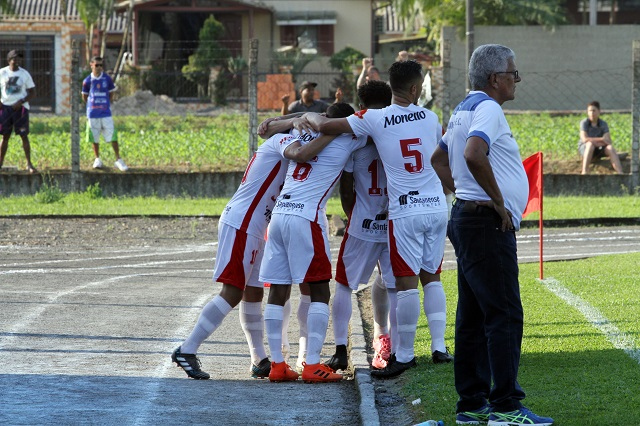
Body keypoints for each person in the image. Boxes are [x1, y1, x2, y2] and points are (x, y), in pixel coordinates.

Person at [302, 60, 452, 379]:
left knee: (371, 284)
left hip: (389, 216)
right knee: (427, 278)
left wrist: (304, 117)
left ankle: (372, 351)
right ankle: (434, 347)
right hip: (433, 206)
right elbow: (441, 155)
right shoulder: (430, 117)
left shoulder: (373, 120)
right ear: (416, 88)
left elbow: (330, 128)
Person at [431, 44, 554, 426]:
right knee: (503, 313)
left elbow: (439, 158)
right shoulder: (488, 109)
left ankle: (471, 404)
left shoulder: (461, 109)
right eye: (512, 73)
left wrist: (464, 195)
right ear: (494, 77)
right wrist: (497, 202)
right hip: (486, 224)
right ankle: (506, 406)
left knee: (472, 315)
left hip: (467, 219)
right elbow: (473, 153)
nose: (516, 80)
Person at [171, 117, 338, 380]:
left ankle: (258, 358)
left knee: (253, 293)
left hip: (258, 225)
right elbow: (298, 151)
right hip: (243, 222)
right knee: (233, 291)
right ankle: (187, 349)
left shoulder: (284, 135)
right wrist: (331, 132)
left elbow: (267, 127)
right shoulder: (284, 140)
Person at [259, 102, 367, 384]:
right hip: (305, 217)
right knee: (319, 290)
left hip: (280, 214)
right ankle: (313, 365)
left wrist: (301, 117)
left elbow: (269, 128)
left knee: (278, 290)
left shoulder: (302, 132)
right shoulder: (349, 138)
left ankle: (278, 365)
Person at [324, 80, 395, 372]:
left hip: (363, 223)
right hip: (395, 221)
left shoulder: (354, 134)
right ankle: (394, 347)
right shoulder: (399, 129)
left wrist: (353, 213)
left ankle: (341, 349)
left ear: (361, 105)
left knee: (343, 284)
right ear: (390, 101)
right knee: (397, 285)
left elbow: (346, 182)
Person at [81, 56, 128, 172]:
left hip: (106, 112)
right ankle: (97, 159)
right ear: (91, 65)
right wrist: (92, 105)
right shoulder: (87, 81)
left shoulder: (107, 79)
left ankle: (118, 159)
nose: (99, 68)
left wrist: (106, 103)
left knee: (112, 136)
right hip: (93, 113)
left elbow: (111, 93)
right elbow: (84, 96)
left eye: (101, 65)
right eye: (97, 65)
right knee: (94, 137)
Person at [0, 50, 37, 173]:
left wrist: (21, 101)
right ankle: (0, 163)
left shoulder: (24, 74)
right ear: (9, 60)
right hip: (5, 108)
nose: (17, 61)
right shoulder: (2, 73)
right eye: (14, 58)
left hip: (20, 109)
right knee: (5, 137)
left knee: (24, 136)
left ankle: (29, 164)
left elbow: (32, 92)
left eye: (19, 58)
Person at [579, 100, 623, 175]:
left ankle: (620, 173)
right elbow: (584, 139)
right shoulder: (584, 123)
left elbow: (608, 141)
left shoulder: (603, 124)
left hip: (599, 148)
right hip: (586, 148)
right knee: (590, 144)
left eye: (594, 110)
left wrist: (595, 141)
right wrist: (601, 139)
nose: (592, 113)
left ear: (599, 111)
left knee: (610, 148)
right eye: (590, 111)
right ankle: (585, 172)